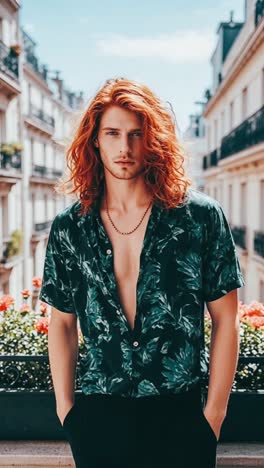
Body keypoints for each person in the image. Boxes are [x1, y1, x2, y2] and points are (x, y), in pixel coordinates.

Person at [39, 77, 245, 468]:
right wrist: (67, 411)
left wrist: (212, 417)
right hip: (98, 418)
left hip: (180, 415)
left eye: (136, 134)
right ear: (95, 140)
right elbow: (62, 323)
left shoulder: (199, 218)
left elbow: (226, 319)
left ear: (153, 141)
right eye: (113, 133)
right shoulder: (71, 227)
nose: (125, 147)